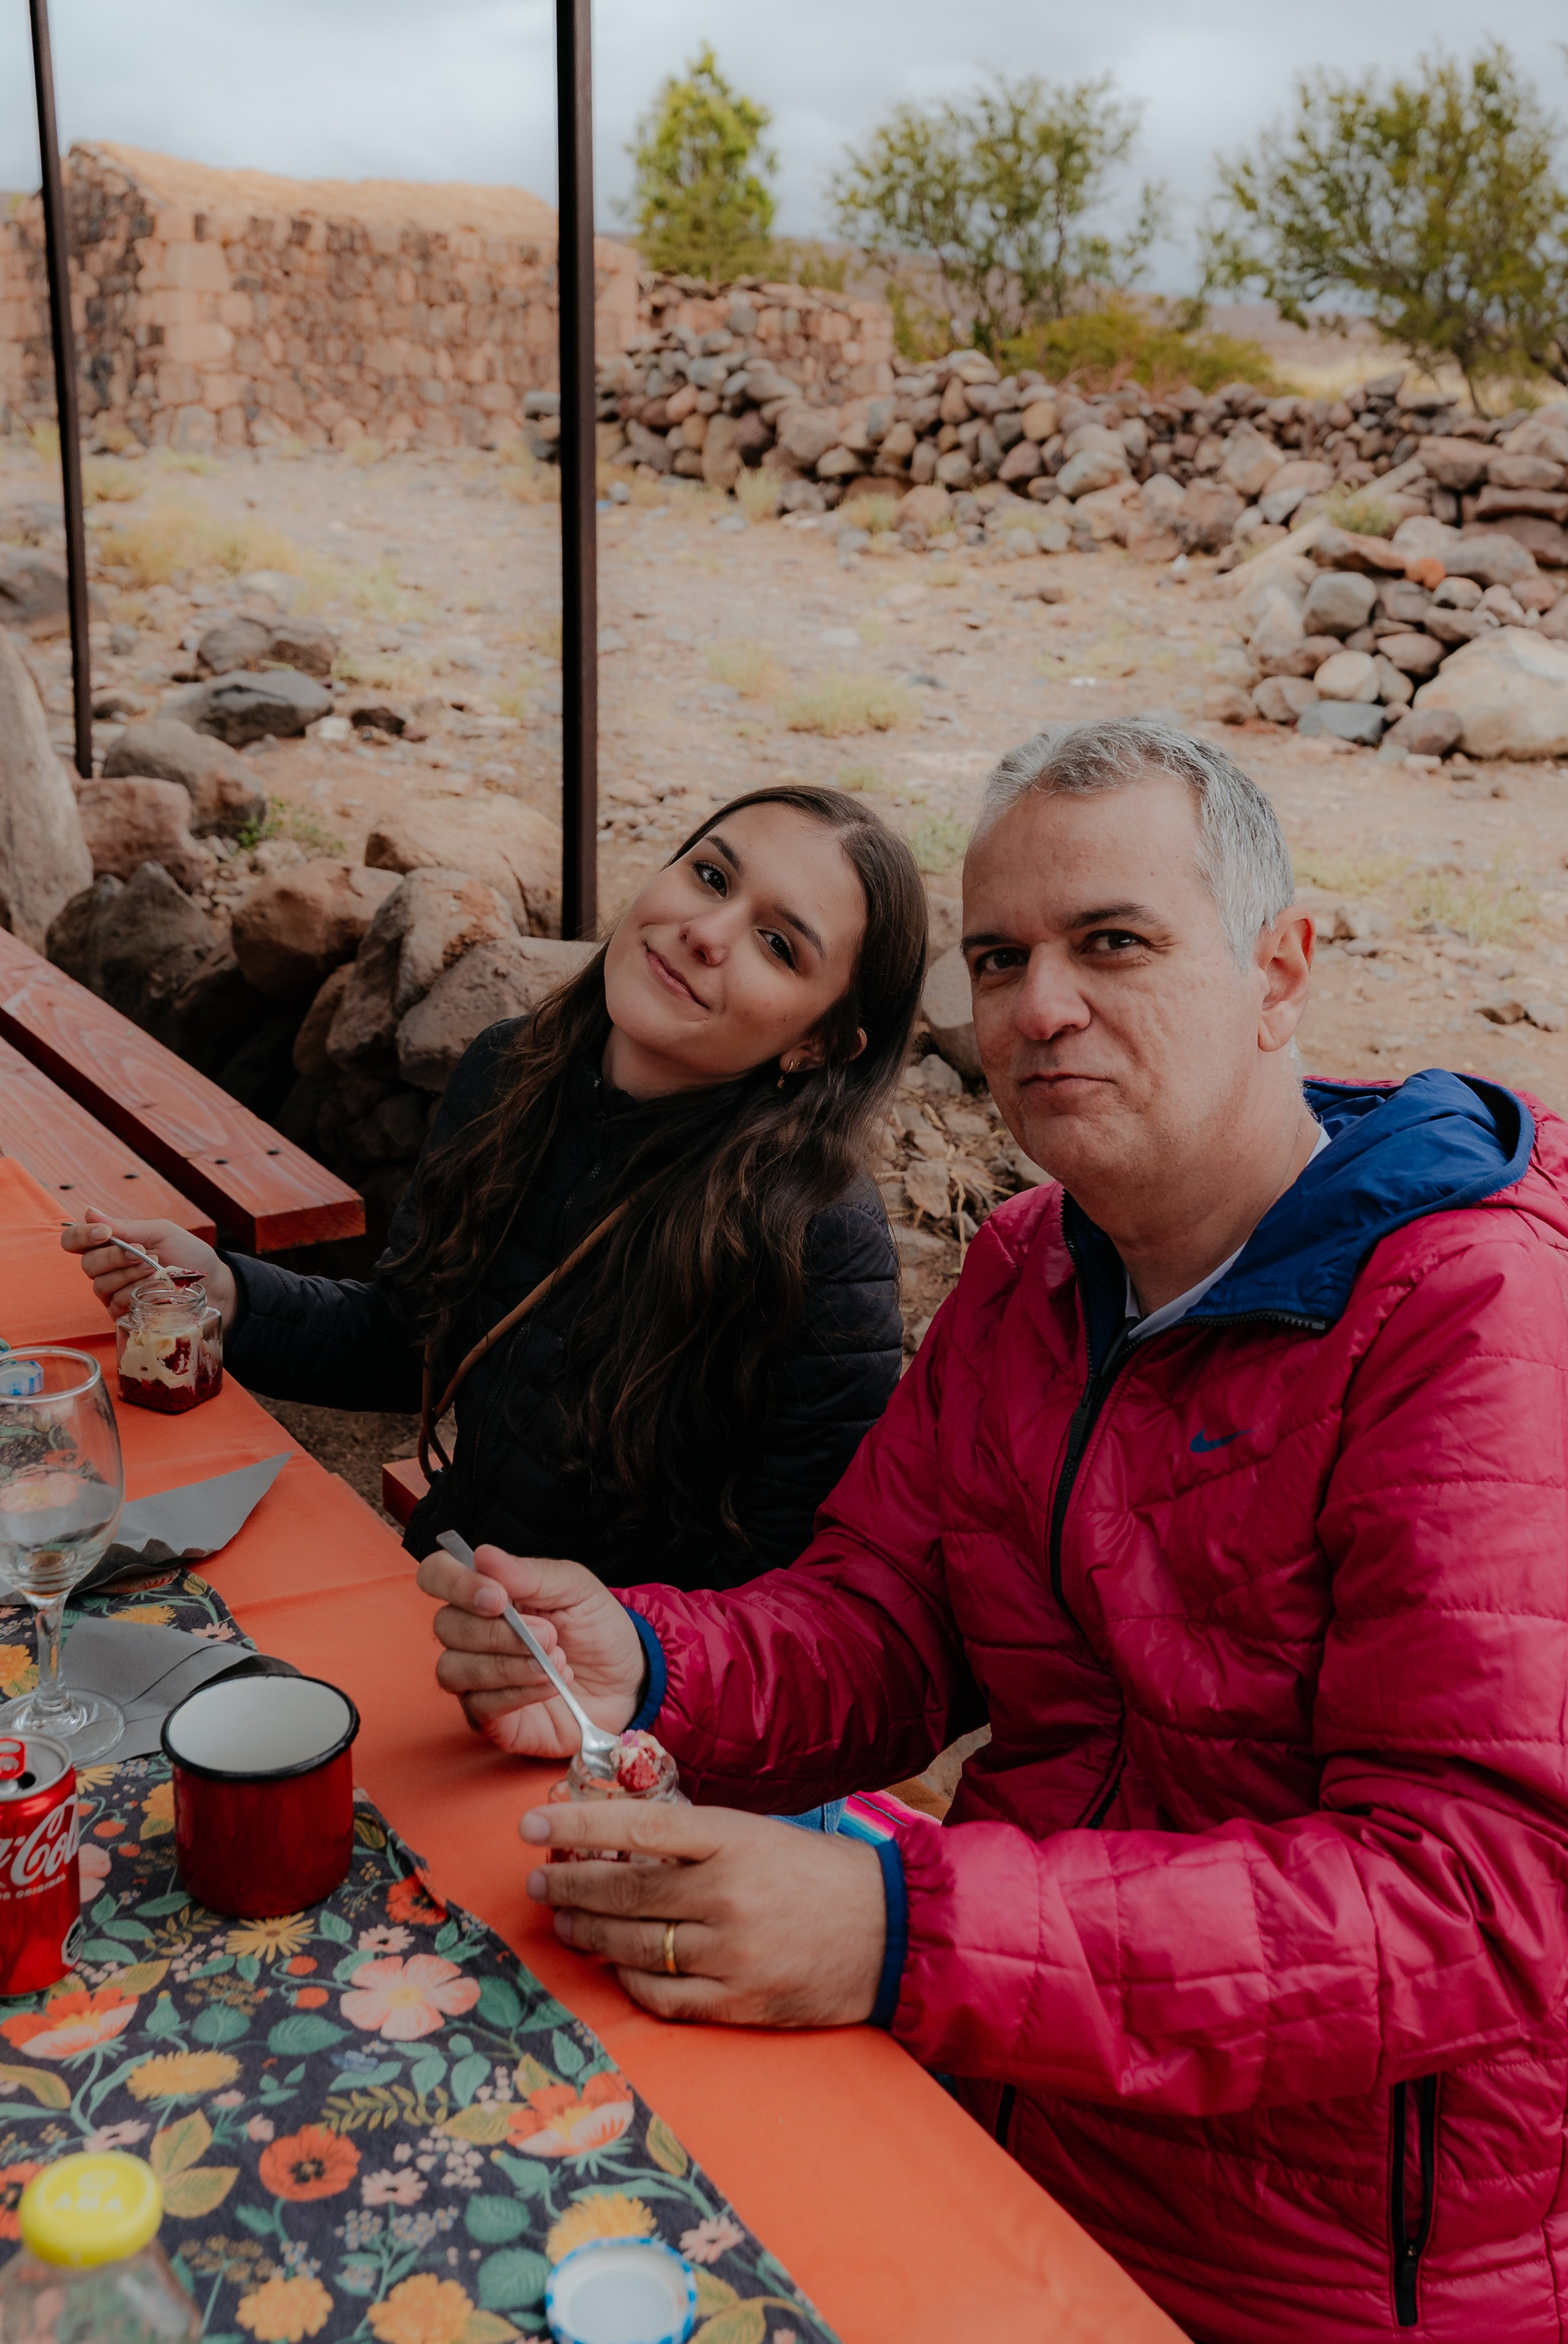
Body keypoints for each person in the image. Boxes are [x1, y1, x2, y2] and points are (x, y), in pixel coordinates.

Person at [420, 720, 1568, 2344]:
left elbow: (1481, 1902)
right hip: (1000, 2114)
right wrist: (653, 1657)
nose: (1039, 1009)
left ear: (1280, 970)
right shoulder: (1041, 1265)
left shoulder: (1472, 1320)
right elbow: (891, 1619)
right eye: (999, 958)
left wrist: (899, 1930)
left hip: (1315, 2267)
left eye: (1112, 944)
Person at [66, 784, 927, 1596]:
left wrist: (621, 1655)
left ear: (817, 1047)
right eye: (710, 874)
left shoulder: (819, 1237)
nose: (709, 930)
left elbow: (793, 1581)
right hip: (459, 1584)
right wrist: (232, 1295)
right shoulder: (511, 1073)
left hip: (625, 1702)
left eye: (779, 945)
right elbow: (414, 1335)